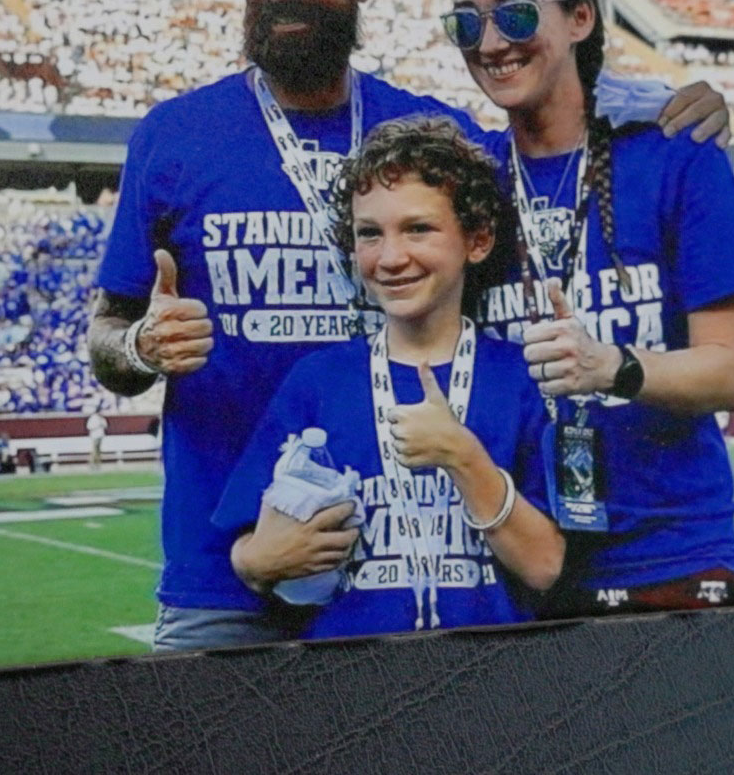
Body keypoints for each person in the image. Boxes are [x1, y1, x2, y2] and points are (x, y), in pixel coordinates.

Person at [86, 0, 732, 652]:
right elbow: (109, 333)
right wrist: (139, 346)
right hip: (229, 571)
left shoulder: (434, 131)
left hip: (419, 567)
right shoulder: (173, 135)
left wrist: (659, 104)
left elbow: (546, 123)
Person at [447, 0, 734, 617]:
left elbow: (728, 372)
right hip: (522, 565)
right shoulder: (465, 178)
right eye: (465, 23)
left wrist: (612, 368)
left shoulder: (675, 152)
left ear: (581, 17)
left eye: (514, 13)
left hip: (672, 558)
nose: (492, 42)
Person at [214, 117, 562, 639]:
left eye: (418, 229)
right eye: (370, 234)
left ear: (479, 239)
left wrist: (463, 457)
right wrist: (256, 562)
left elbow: (545, 566)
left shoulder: (522, 379)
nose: (392, 258)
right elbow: (247, 548)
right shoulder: (317, 383)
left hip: (492, 681)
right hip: (350, 683)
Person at [85, 406, 108, 471]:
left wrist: (102, 424)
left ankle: (98, 464)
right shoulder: (93, 418)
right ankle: (92, 464)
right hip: (95, 436)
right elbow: (89, 426)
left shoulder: (102, 418)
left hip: (100, 436)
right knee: (94, 451)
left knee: (99, 451)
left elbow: (105, 425)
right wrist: (98, 425)